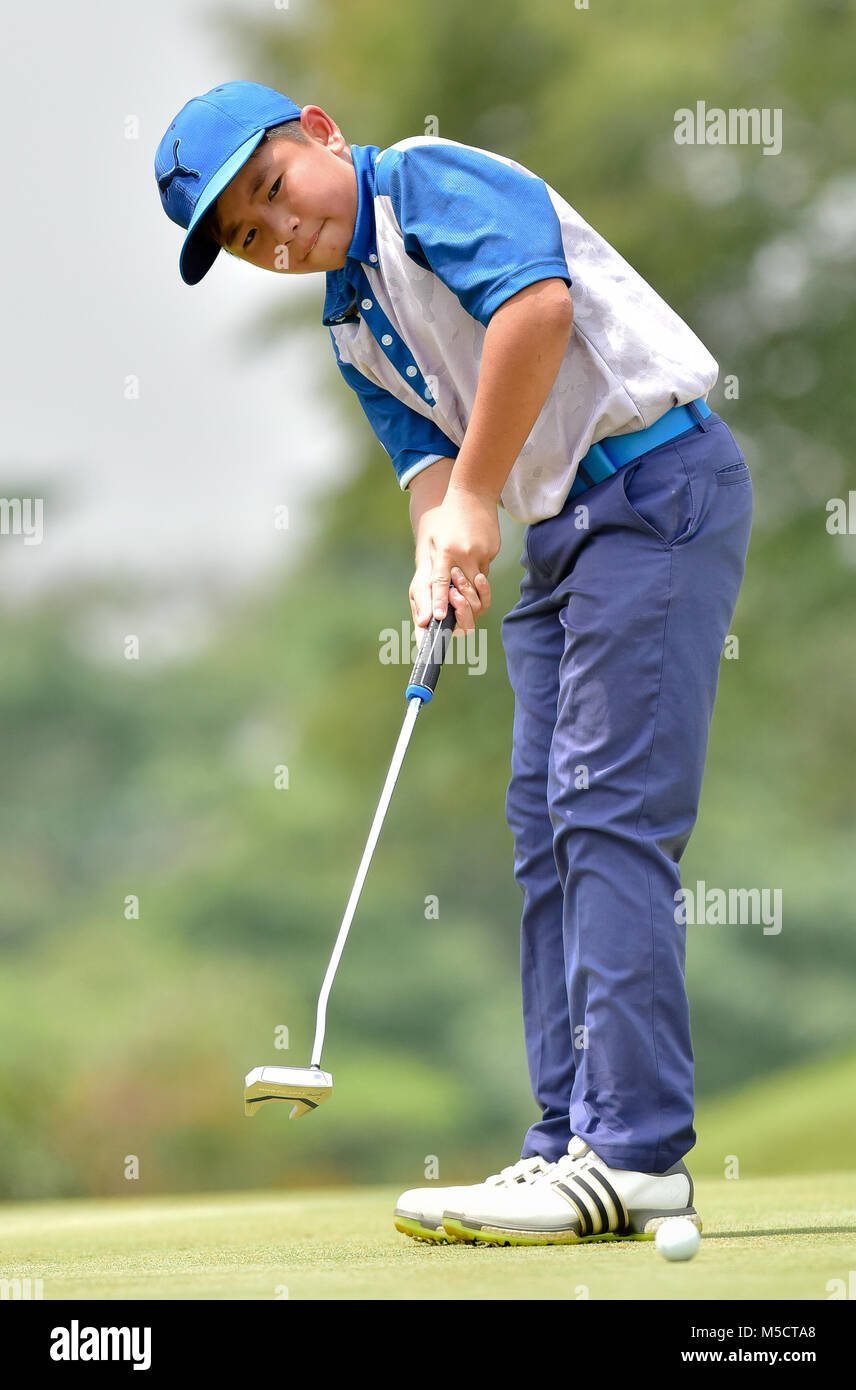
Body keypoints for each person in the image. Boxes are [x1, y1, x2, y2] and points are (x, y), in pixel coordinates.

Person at [155, 81, 752, 1245]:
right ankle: (566, 1139)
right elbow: (427, 465)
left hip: (656, 486)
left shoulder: (424, 181)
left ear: (320, 133)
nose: (277, 233)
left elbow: (533, 307)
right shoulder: (346, 320)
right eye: (244, 236)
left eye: (272, 191)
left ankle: (633, 1154)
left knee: (604, 811)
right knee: (544, 826)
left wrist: (479, 495)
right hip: (571, 534)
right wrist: (442, 547)